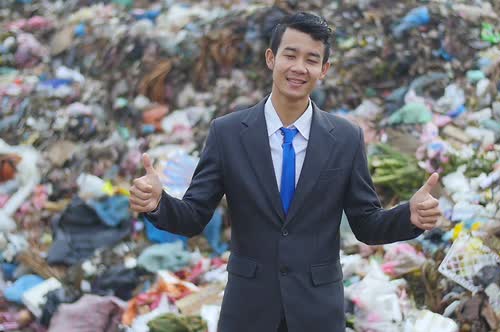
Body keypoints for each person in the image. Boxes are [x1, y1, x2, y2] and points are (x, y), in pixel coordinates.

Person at [130, 11, 441, 332]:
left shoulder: (346, 138)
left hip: (317, 311)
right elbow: (194, 216)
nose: (298, 68)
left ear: (324, 70)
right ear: (271, 58)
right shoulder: (228, 133)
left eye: (311, 59)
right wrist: (157, 203)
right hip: (248, 309)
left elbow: (366, 224)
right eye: (290, 55)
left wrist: (410, 217)